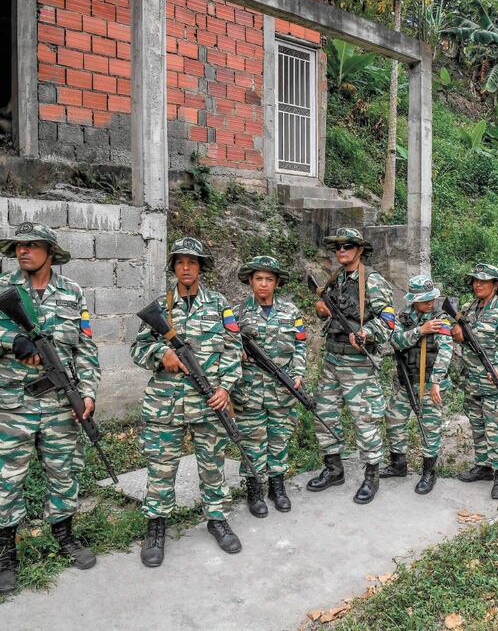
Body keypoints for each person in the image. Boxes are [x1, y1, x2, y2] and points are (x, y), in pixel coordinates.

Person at [0, 223, 100, 593]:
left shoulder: (73, 293)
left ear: (49, 252)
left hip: (61, 404)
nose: (22, 251)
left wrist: (87, 393)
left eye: (31, 245)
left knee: (64, 471)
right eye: (18, 246)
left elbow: (86, 348)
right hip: (13, 404)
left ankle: (64, 535)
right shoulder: (4, 290)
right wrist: (13, 341)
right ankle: (5, 552)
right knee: (7, 479)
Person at [131, 237, 242, 567]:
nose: (187, 267)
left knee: (212, 465)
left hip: (209, 404)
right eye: (180, 262)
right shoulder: (160, 307)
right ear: (174, 267)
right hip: (167, 404)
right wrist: (160, 352)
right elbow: (137, 349)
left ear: (201, 267)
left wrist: (226, 388)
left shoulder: (219, 305)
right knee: (162, 468)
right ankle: (156, 526)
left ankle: (217, 519)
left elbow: (234, 350)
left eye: (192, 262)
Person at [306, 228, 395, 504]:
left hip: (358, 364)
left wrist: (367, 333)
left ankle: (372, 476)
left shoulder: (372, 282)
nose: (341, 251)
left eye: (347, 246)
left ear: (359, 250)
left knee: (364, 419)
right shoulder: (337, 278)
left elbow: (390, 318)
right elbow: (327, 307)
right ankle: (334, 469)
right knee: (325, 413)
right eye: (338, 247)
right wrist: (322, 307)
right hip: (333, 358)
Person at [231, 256, 307, 514]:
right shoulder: (235, 314)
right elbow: (225, 346)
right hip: (249, 390)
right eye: (259, 279)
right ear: (250, 281)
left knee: (279, 439)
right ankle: (254, 491)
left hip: (282, 390)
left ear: (277, 283)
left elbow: (300, 344)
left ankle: (277, 487)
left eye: (269, 280)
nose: (263, 284)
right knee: (253, 443)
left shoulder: (291, 312)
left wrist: (297, 373)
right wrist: (236, 352)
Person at [380, 275, 453, 494]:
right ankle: (398, 464)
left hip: (430, 384)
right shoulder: (402, 318)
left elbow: (445, 352)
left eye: (432, 298)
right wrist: (420, 331)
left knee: (429, 429)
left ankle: (429, 472)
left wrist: (436, 382)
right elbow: (394, 340)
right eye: (424, 299)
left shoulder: (441, 319)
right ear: (413, 299)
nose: (430, 303)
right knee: (393, 420)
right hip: (405, 383)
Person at [453, 263, 498, 499]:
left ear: (496, 284)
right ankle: (483, 466)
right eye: (475, 280)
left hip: (493, 379)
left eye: (484, 281)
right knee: (478, 425)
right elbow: (459, 334)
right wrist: (457, 333)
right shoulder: (468, 308)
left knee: (496, 427)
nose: (478, 284)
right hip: (472, 378)